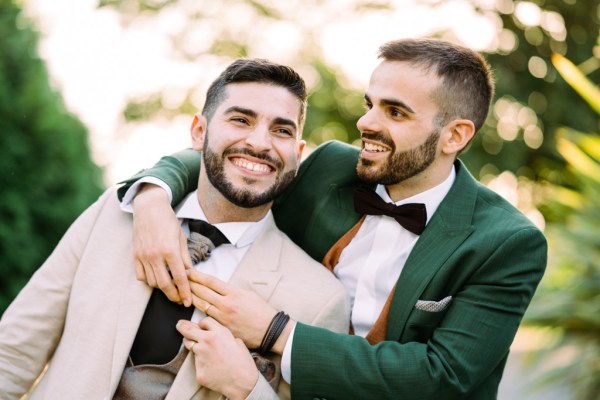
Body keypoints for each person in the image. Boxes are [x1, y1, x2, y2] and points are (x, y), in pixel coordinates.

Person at [118, 38, 547, 399]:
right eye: (370, 105)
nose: (366, 123)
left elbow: (442, 375)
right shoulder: (329, 169)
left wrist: (275, 332)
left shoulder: (506, 241)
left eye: (395, 113)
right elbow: (234, 159)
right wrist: (154, 196)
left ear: (455, 135)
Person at [0, 59, 350, 400]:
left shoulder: (320, 301)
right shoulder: (115, 215)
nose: (260, 143)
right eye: (241, 119)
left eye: (281, 130)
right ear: (199, 132)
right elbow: (14, 352)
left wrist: (249, 389)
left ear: (298, 152)